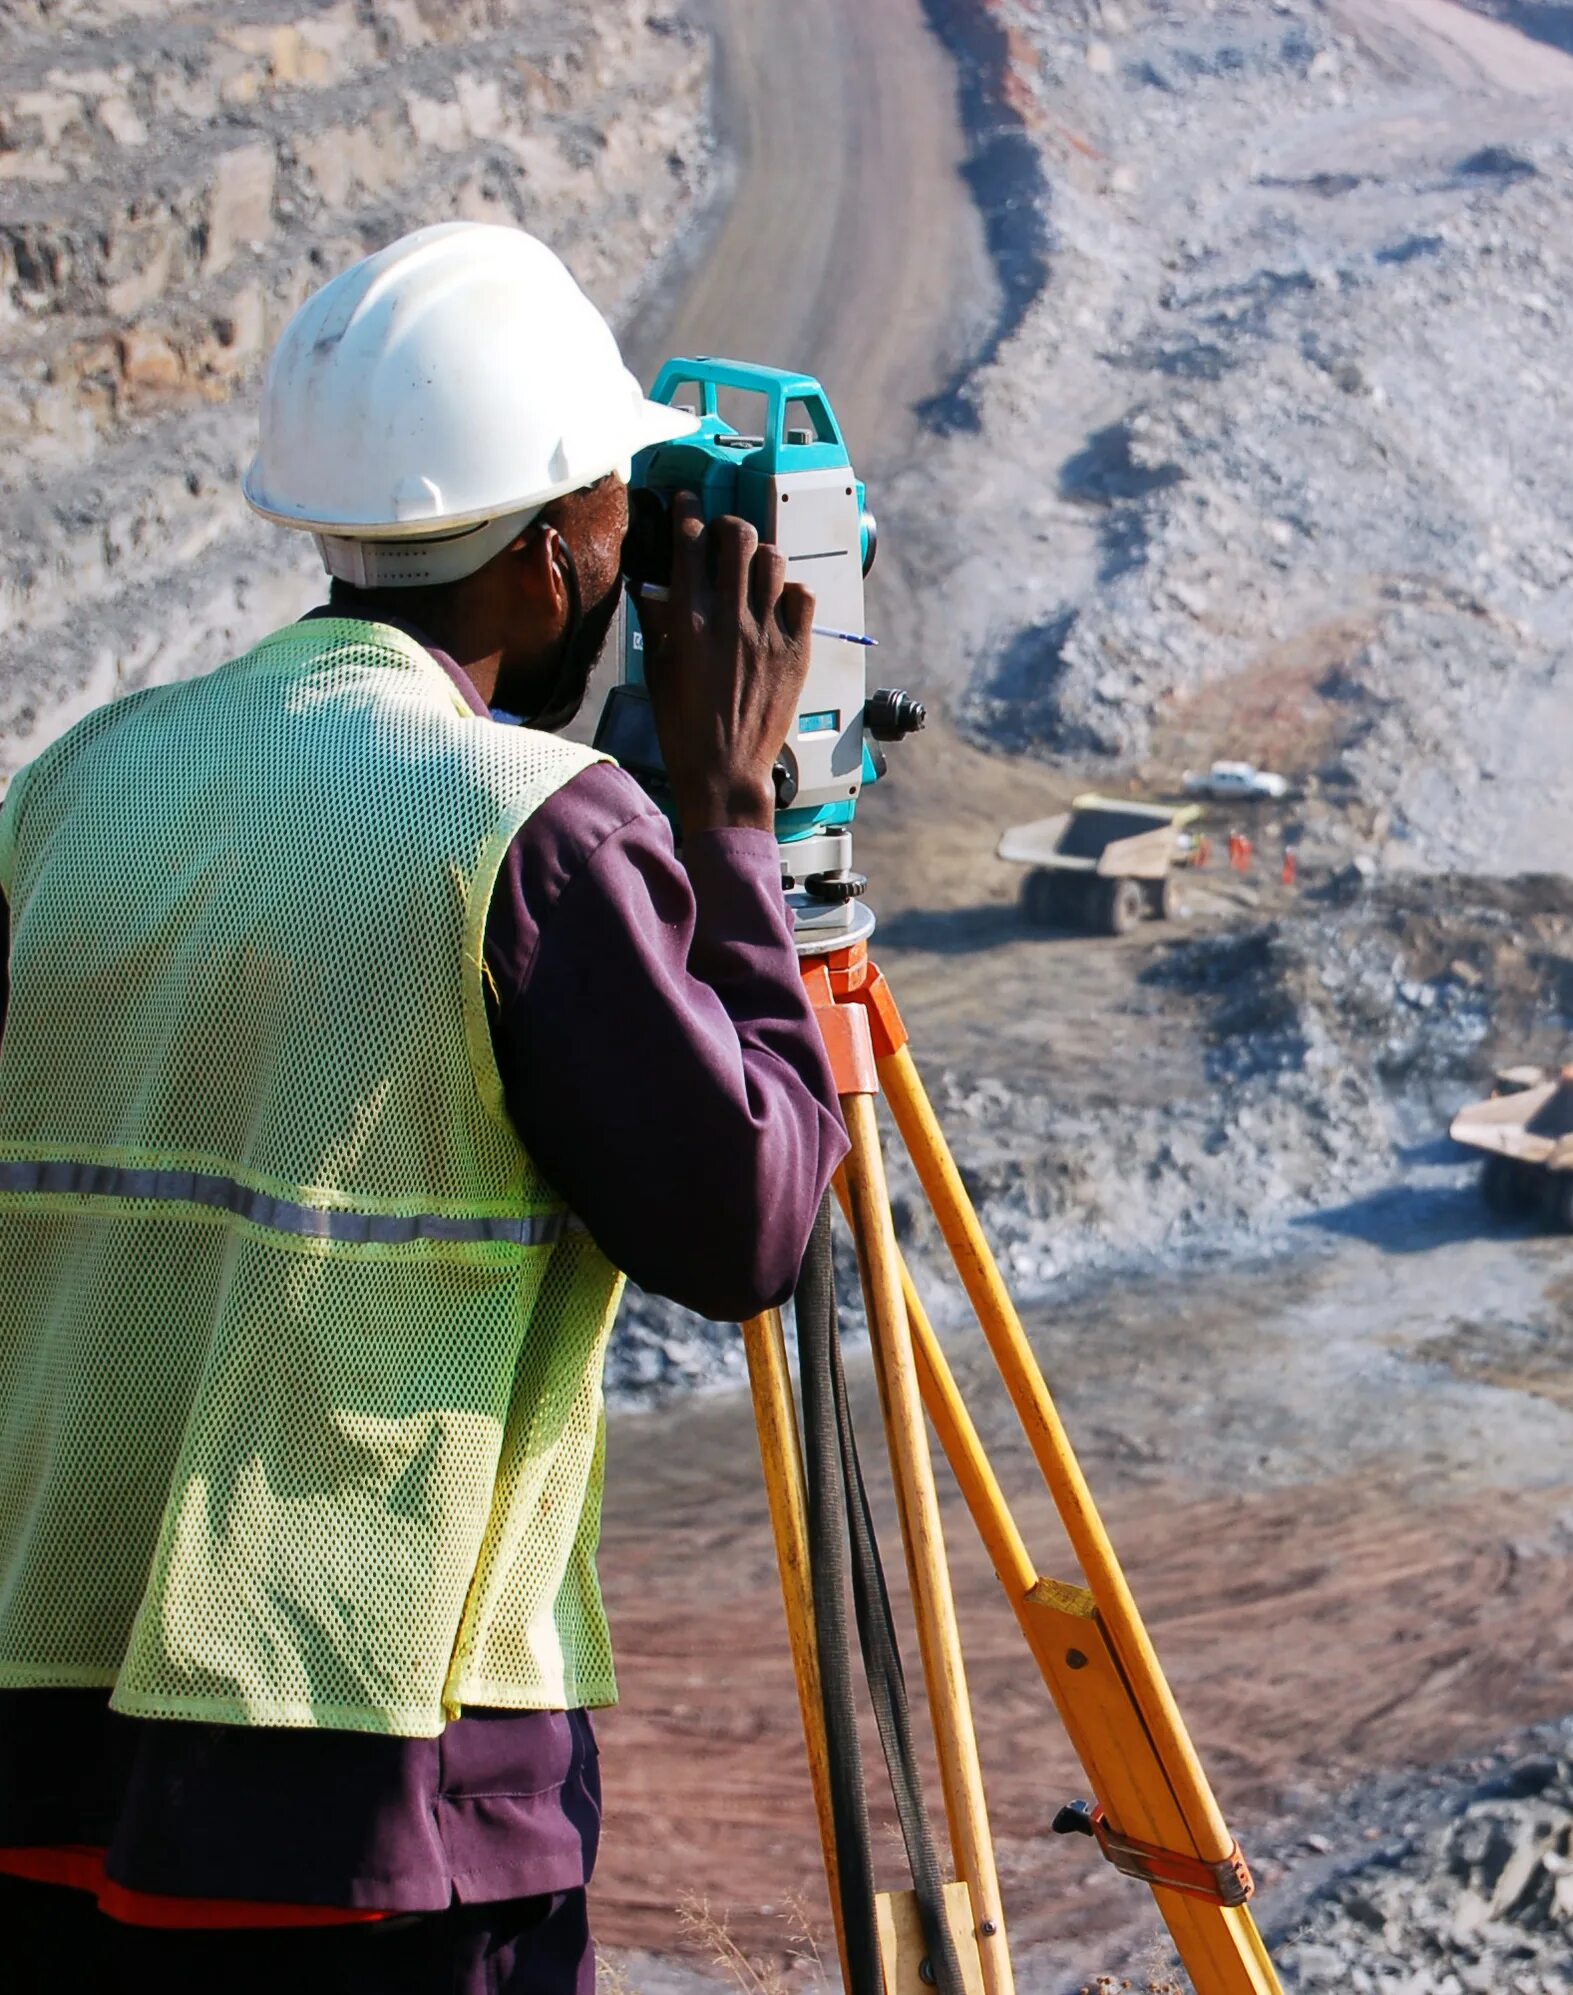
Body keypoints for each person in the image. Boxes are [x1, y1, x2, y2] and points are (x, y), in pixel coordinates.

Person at [0, 221, 849, 1992]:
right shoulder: (533, 829)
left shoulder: (81, 781)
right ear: (553, 565)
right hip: (370, 1776)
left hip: (46, 1735)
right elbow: (755, 1223)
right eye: (620, 522)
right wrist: (735, 826)